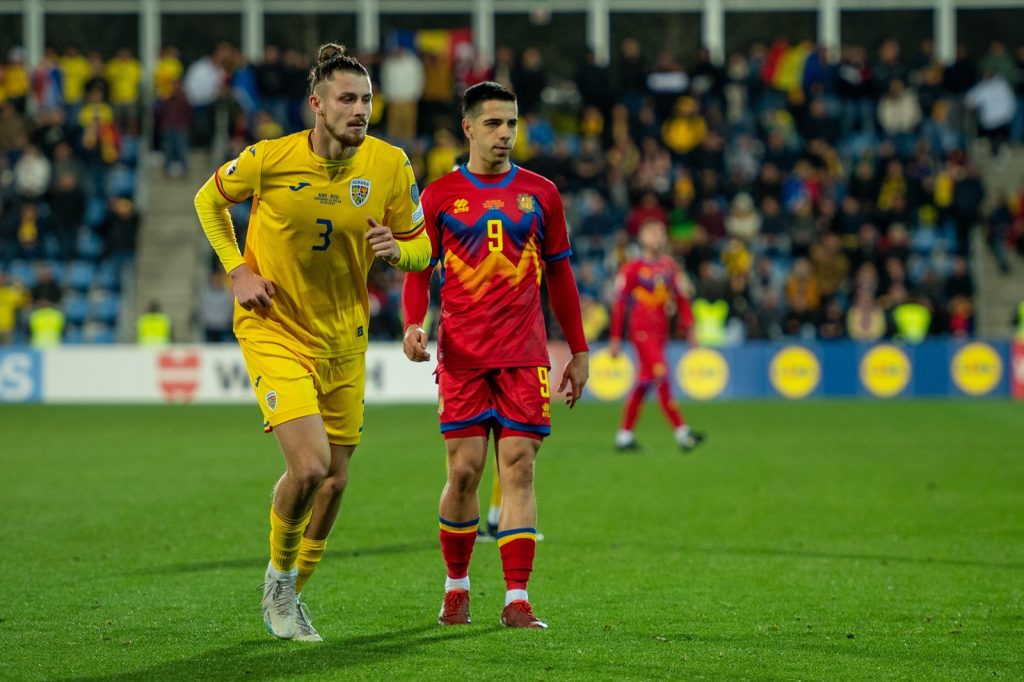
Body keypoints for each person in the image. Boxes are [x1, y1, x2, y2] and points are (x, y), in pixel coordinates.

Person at [193, 43, 430, 642]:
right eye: (348, 99)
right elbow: (208, 200)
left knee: (336, 482)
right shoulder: (269, 159)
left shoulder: (390, 165)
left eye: (368, 100)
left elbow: (425, 249)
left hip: (343, 338)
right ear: (316, 106)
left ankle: (294, 590)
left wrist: (398, 252)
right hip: (275, 327)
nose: (361, 110)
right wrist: (237, 270)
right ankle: (278, 578)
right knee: (309, 466)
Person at [401, 81, 589, 629]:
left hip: (525, 356)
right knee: (464, 472)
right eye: (493, 124)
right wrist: (415, 324)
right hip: (461, 356)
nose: (505, 134)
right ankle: (456, 588)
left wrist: (577, 349)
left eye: (511, 123)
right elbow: (419, 271)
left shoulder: (541, 193)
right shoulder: (437, 196)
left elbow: (560, 272)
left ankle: (516, 598)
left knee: (520, 472)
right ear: (468, 128)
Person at [609, 218, 706, 453]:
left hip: (661, 333)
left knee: (644, 383)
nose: (658, 236)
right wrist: (615, 337)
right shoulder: (632, 268)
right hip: (641, 332)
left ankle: (624, 436)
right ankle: (683, 433)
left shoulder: (670, 267)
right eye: (652, 232)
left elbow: (682, 299)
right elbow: (620, 304)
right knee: (661, 377)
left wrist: (690, 328)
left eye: (661, 233)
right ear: (642, 238)